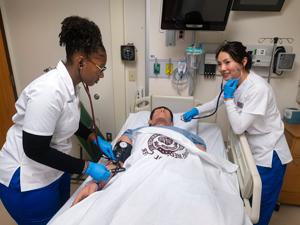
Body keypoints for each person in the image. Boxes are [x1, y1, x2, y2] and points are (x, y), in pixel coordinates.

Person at [0, 16, 116, 225]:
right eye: (100, 69)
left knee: (65, 217)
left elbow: (67, 120)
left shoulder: (70, 86)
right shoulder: (49, 91)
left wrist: (93, 138)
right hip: (27, 179)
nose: (102, 75)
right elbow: (35, 149)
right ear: (81, 61)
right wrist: (87, 166)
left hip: (56, 167)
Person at [183, 41, 292, 225]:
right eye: (219, 64)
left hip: (269, 154)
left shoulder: (258, 89)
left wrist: (228, 97)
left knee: (261, 207)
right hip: (252, 148)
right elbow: (217, 102)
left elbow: (239, 127)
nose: (222, 68)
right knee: (247, 201)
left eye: (227, 62)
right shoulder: (231, 82)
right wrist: (197, 110)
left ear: (243, 61)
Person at [71, 106, 207, 206]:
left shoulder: (186, 135)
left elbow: (199, 159)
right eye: (158, 110)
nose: (162, 111)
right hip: (140, 173)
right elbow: (119, 158)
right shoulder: (136, 131)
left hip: (176, 175)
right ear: (150, 121)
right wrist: (96, 183)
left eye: (166, 111)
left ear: (172, 123)